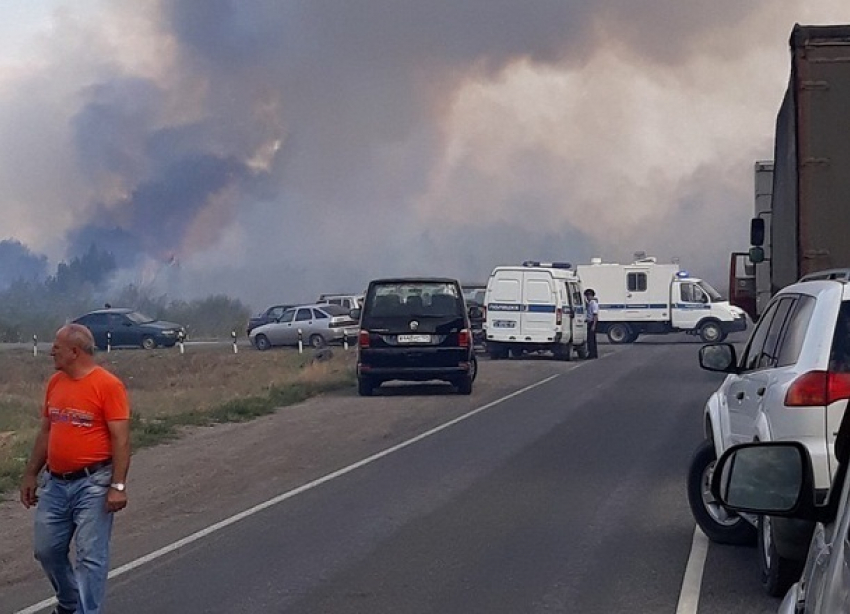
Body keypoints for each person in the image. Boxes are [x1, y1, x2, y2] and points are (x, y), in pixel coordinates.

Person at [19, 323, 131, 614]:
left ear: (74, 351)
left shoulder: (107, 385)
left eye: (56, 346)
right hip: (55, 483)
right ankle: (69, 603)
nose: (51, 351)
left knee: (90, 556)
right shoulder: (56, 383)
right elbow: (46, 431)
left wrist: (117, 486)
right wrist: (31, 472)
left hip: (93, 483)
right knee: (46, 550)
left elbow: (121, 439)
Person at [584, 288, 599, 359]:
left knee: (591, 339)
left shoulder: (594, 304)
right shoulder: (590, 303)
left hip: (592, 322)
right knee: (590, 339)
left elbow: (595, 315)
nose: (587, 297)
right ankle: (593, 354)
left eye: (588, 296)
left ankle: (592, 354)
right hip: (589, 322)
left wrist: (594, 325)